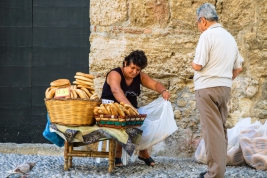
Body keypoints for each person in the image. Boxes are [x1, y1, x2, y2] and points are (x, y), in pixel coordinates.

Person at [192, 3, 243, 178]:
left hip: (206, 88)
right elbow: (238, 68)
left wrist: (192, 64)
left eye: (198, 24)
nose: (199, 28)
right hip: (224, 88)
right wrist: (224, 79)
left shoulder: (207, 36)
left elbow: (198, 65)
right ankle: (218, 171)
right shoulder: (230, 37)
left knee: (211, 132)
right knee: (220, 130)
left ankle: (214, 174)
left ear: (203, 21)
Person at [101, 50, 171, 167]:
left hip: (131, 110)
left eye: (138, 70)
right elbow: (116, 91)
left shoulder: (139, 76)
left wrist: (163, 91)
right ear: (125, 63)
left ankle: (143, 152)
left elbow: (154, 84)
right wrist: (131, 109)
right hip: (111, 110)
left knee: (149, 122)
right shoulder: (115, 74)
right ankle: (119, 154)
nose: (134, 72)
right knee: (126, 122)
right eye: (132, 68)